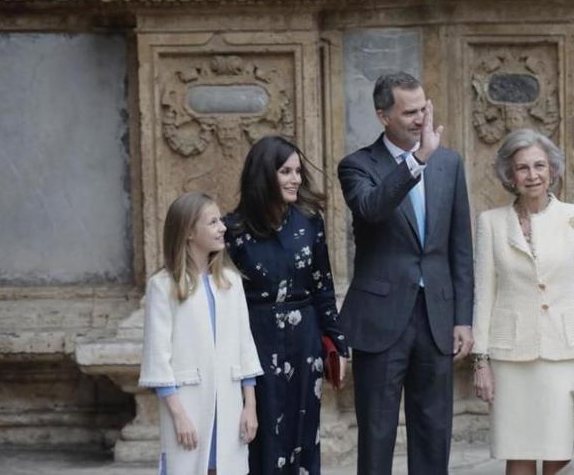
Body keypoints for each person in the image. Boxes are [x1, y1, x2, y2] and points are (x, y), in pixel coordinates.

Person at [337, 71, 474, 475]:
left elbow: (459, 247)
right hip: (380, 319)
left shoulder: (449, 163)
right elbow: (371, 209)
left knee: (434, 429)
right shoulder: (357, 165)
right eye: (409, 112)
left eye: (424, 109)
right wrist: (417, 160)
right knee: (377, 432)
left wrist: (463, 317)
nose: (420, 119)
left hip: (436, 315)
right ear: (383, 116)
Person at [471, 128, 574, 475]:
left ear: (552, 171)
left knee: (559, 451)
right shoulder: (491, 223)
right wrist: (481, 361)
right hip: (510, 356)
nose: (532, 175)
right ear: (509, 175)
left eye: (539, 166)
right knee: (517, 451)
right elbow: (484, 294)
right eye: (522, 168)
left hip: (567, 354)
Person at [224, 135, 349, 475]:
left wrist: (338, 344)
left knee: (303, 428)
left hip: (304, 338)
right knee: (261, 430)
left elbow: (323, 285)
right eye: (285, 171)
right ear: (264, 175)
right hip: (256, 338)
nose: (296, 179)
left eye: (297, 171)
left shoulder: (309, 220)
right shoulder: (232, 230)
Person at [139, 191, 264, 475]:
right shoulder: (163, 286)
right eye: (212, 222)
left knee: (228, 467)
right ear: (188, 232)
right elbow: (158, 357)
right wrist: (179, 416)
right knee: (188, 467)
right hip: (187, 404)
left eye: (220, 221)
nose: (223, 227)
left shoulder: (230, 282)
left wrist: (250, 406)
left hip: (230, 403)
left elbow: (245, 346)